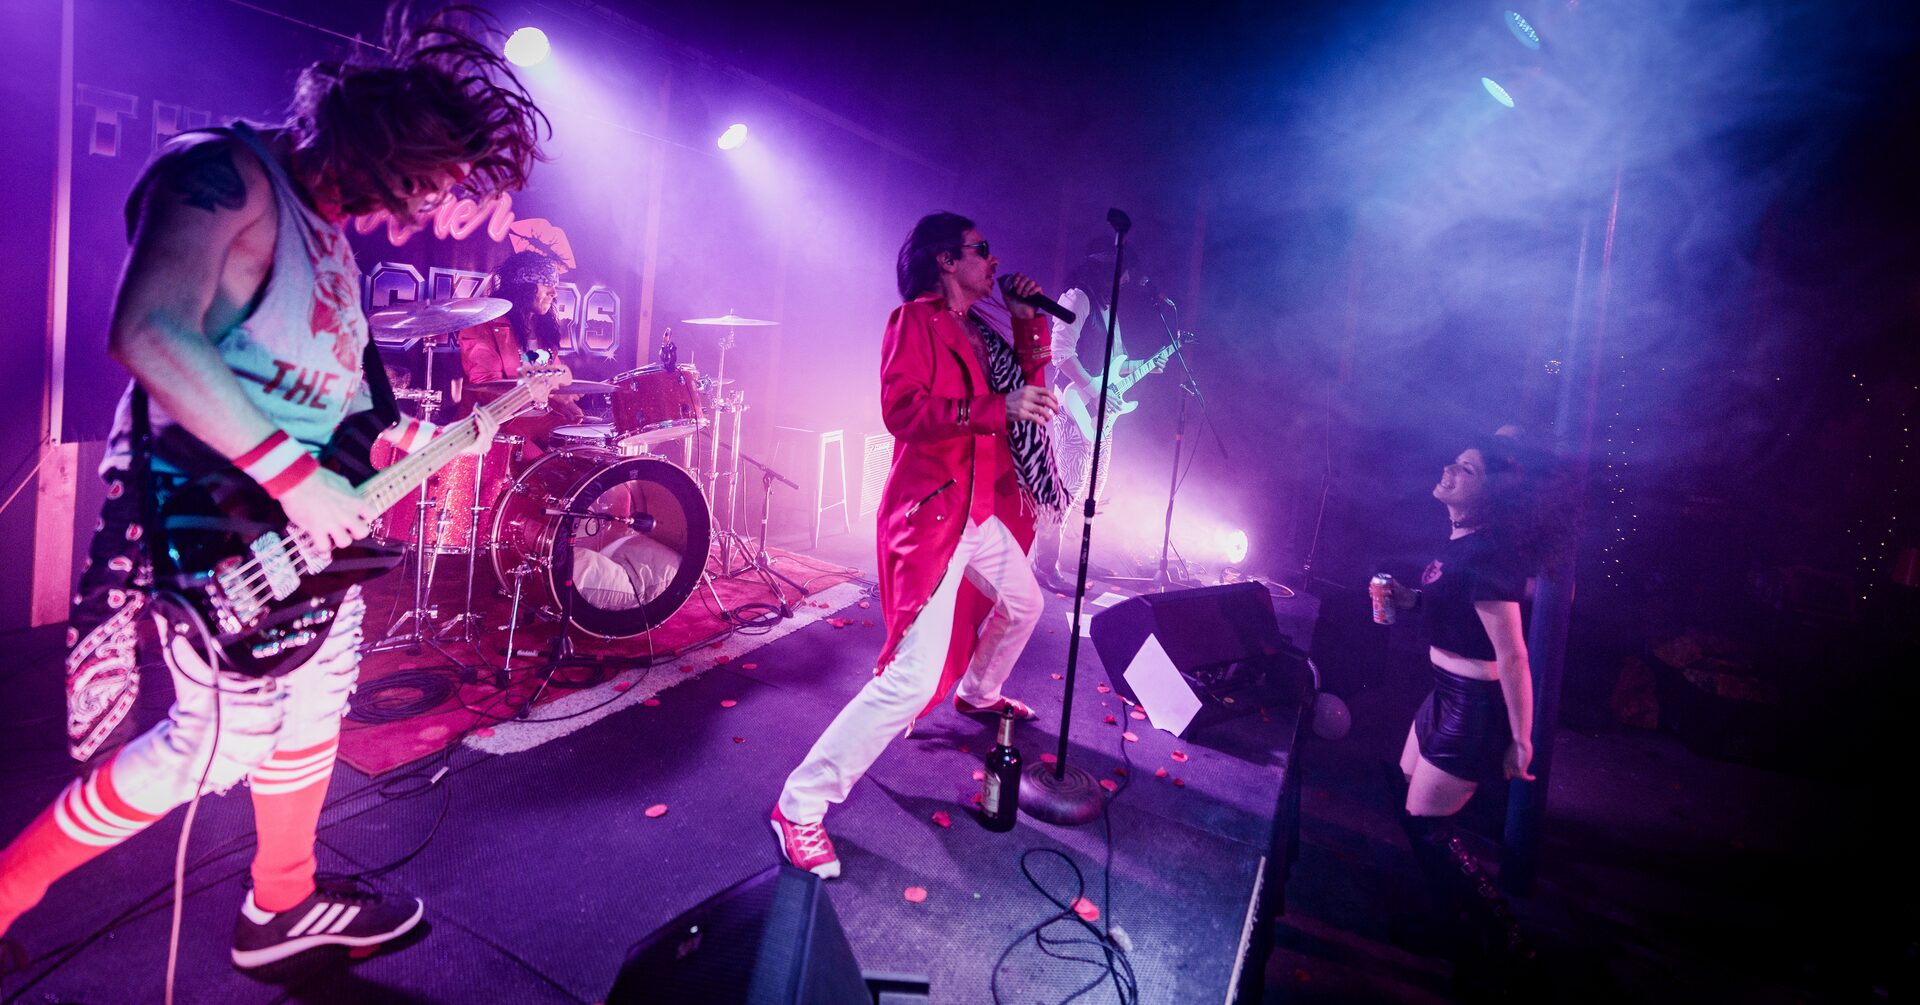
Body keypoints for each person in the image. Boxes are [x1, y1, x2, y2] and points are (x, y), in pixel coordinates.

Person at [0, 6, 547, 970]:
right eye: (417, 188)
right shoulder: (224, 172)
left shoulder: (333, 241)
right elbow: (151, 328)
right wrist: (297, 479)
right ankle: (10, 889)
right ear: (374, 144)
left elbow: (336, 407)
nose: (419, 216)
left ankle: (280, 907)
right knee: (209, 746)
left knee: (318, 703)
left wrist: (402, 442)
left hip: (304, 535)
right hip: (204, 515)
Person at [771, 212, 1064, 878]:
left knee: (1025, 606)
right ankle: (800, 803)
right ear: (943, 260)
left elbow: (1033, 388)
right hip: (931, 518)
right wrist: (997, 409)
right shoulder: (915, 322)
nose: (993, 260)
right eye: (980, 250)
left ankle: (979, 690)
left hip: (978, 513)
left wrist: (1025, 319)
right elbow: (902, 412)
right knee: (908, 681)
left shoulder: (983, 330)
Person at [1376, 433, 1578, 989]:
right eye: (1455, 462)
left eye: (1465, 469)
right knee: (1405, 795)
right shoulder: (1463, 541)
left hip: (1472, 707)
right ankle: (1452, 924)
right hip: (1442, 693)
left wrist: (1521, 738)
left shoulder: (1489, 557)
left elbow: (1513, 654)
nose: (1449, 469)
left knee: (1429, 827)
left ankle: (1505, 942)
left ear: (1489, 494)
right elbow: (1452, 604)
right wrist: (1409, 599)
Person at [1030, 246, 1166, 591]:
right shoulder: (1076, 298)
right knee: (1066, 489)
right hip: (1074, 405)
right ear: (1107, 270)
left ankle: (1072, 557)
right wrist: (1094, 390)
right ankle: (1043, 565)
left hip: (1099, 409)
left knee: (1094, 487)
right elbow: (1059, 354)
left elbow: (1116, 362)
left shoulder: (1107, 307)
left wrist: (1146, 365)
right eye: (1123, 273)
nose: (1127, 281)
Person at [456, 249, 586, 457]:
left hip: (542, 422)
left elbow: (550, 381)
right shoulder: (482, 325)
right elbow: (488, 391)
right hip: (498, 427)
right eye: (546, 284)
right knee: (556, 473)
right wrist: (550, 392)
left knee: (595, 462)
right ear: (523, 287)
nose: (554, 292)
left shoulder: (544, 330)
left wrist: (565, 404)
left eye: (555, 284)